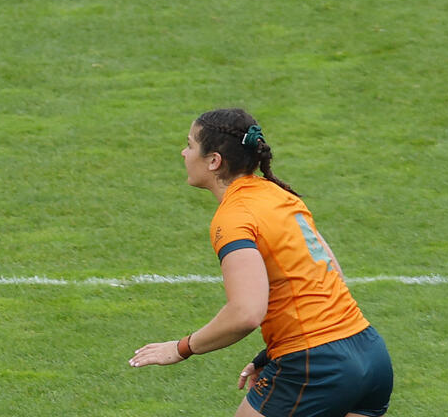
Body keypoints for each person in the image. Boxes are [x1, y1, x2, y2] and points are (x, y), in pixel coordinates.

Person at [129, 109, 393, 417]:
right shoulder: (280, 196)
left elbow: (245, 313)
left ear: (214, 161)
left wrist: (181, 348)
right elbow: (332, 276)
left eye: (189, 145)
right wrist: (273, 352)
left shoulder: (234, 217)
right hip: (370, 354)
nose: (184, 152)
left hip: (317, 365)